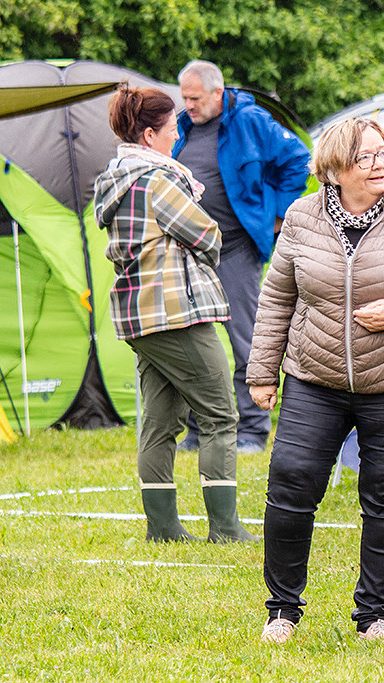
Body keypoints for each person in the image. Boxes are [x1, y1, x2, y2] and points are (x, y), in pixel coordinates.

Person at [247, 117, 384, 644]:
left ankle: (374, 615)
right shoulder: (302, 217)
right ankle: (282, 609)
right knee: (291, 483)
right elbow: (277, 298)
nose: (381, 165)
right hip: (314, 377)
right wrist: (261, 371)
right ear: (335, 168)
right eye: (367, 157)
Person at [93, 85, 258, 544]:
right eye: (170, 130)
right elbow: (207, 235)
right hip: (176, 311)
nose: (175, 137)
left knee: (160, 423)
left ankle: (163, 529)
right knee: (220, 415)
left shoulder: (118, 179)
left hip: (139, 315)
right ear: (148, 136)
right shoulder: (156, 181)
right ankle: (225, 528)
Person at [173, 60, 310, 454]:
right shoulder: (183, 127)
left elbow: (299, 160)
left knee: (245, 342)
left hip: (236, 249)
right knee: (195, 343)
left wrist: (280, 214)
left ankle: (252, 429)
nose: (189, 105)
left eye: (195, 98)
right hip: (193, 253)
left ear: (217, 93)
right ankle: (200, 430)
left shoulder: (251, 120)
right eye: (184, 98)